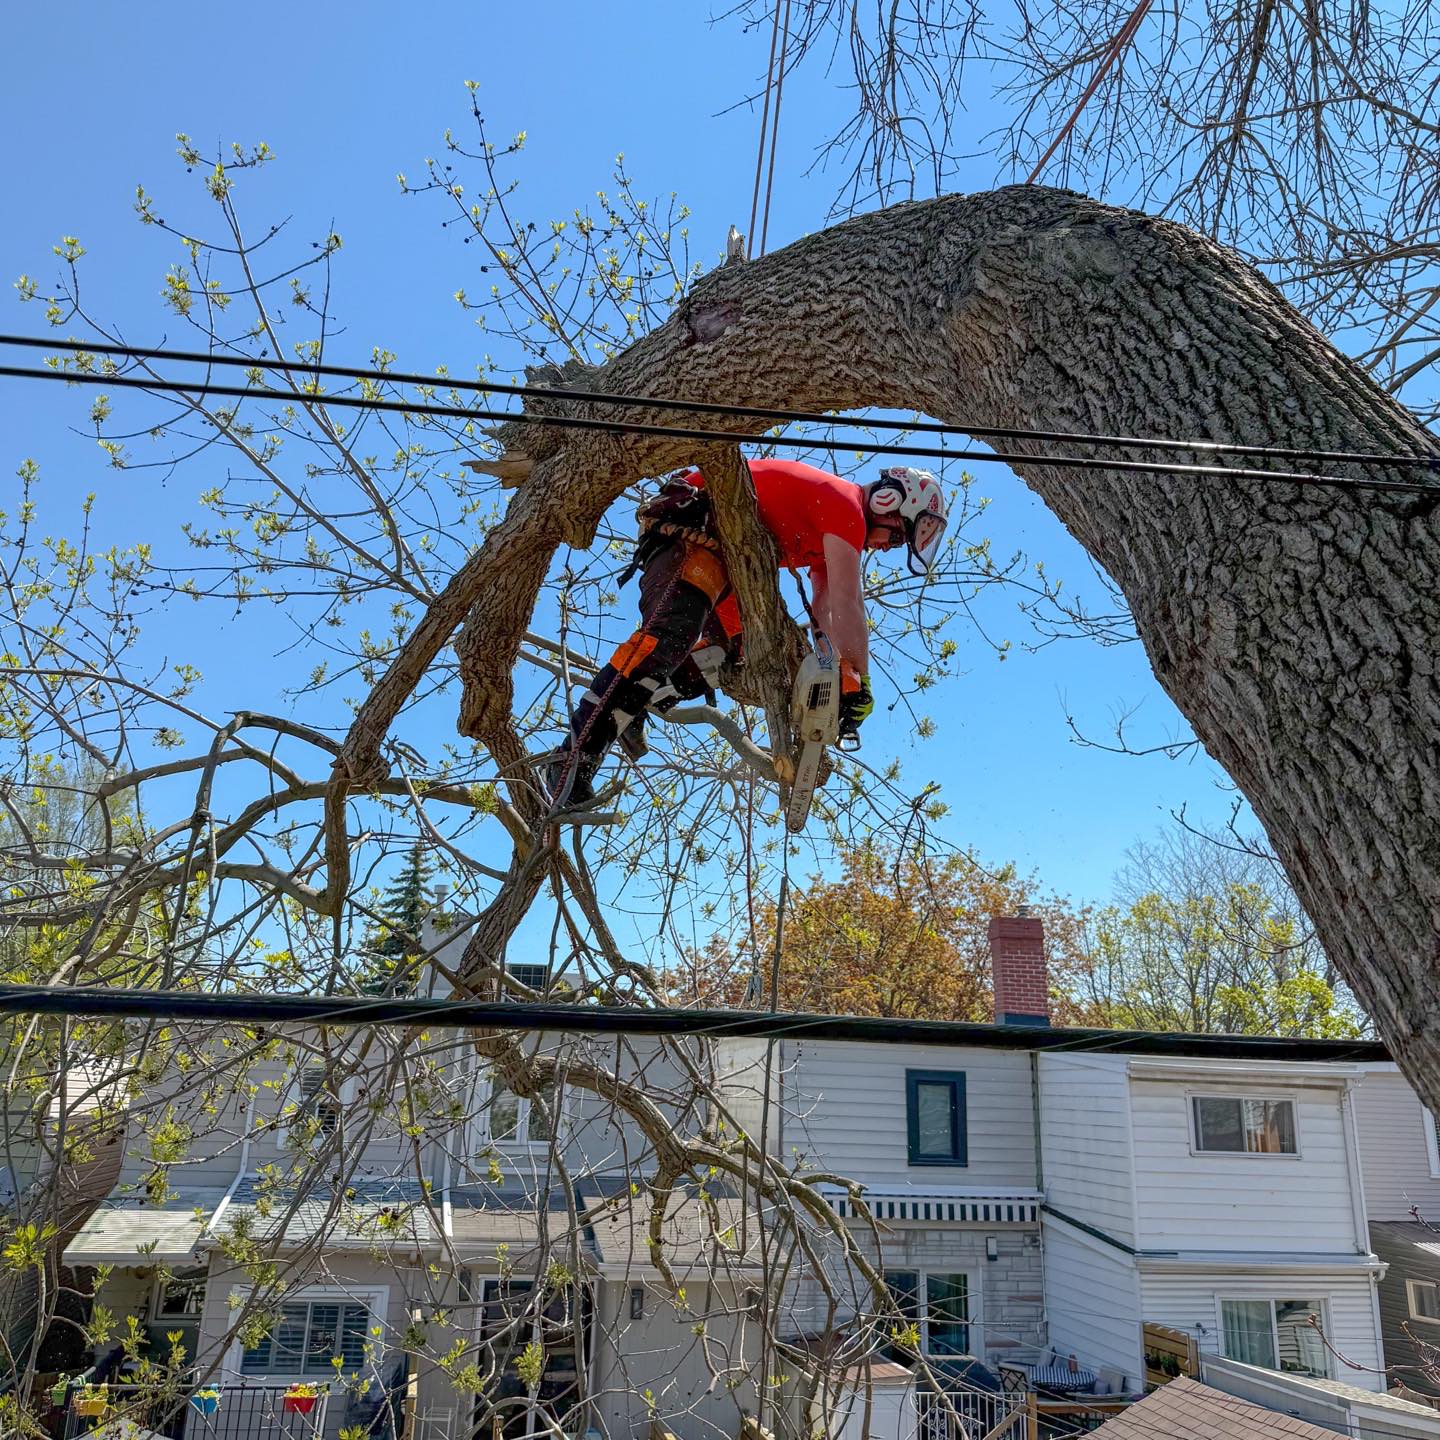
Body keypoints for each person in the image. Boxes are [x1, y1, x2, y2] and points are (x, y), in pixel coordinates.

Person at [546, 458, 947, 805]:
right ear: (887, 501)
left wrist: (835, 670)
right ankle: (572, 758)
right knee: (666, 639)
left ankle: (640, 702)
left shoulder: (833, 529)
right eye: (897, 536)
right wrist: (861, 680)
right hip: (693, 527)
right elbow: (848, 602)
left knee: (727, 656)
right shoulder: (845, 506)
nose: (889, 547)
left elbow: (825, 606)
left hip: (725, 561)